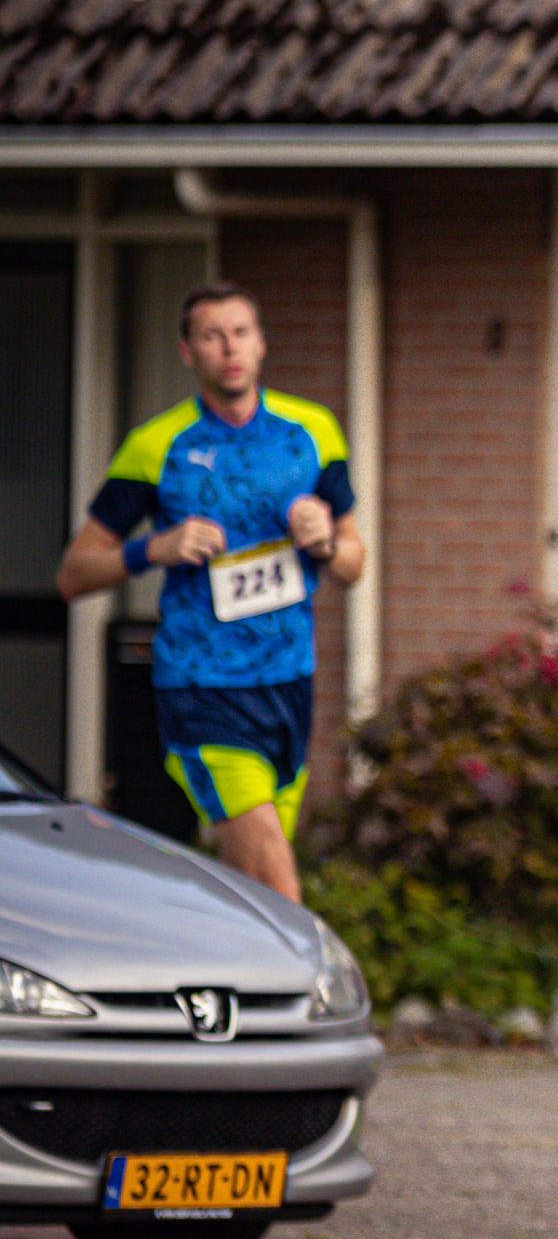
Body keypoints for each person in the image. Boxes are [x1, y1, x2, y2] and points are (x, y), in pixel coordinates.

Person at [56, 281, 363, 903]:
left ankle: (212, 984)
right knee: (278, 880)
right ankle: (311, 994)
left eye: (241, 332)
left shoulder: (313, 432)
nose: (230, 348)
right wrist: (154, 549)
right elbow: (73, 573)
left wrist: (326, 541)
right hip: (203, 689)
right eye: (211, 335)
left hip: (289, 685)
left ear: (261, 344)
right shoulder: (157, 445)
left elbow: (355, 564)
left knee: (255, 890)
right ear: (187, 351)